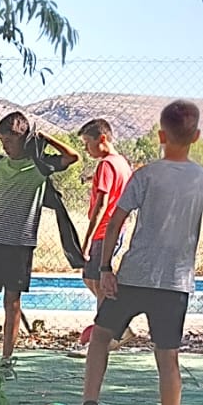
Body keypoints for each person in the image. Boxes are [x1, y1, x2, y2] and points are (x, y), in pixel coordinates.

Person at [68, 99, 203, 405]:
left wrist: (105, 267)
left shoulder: (146, 175)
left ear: (160, 135)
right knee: (167, 357)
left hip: (133, 277)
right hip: (174, 284)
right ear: (196, 137)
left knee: (101, 337)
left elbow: (116, 220)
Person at [0, 110, 78, 368]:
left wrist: (45, 137)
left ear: (25, 141)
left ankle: (6, 359)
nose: (6, 146)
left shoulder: (40, 167)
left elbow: (72, 157)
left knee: (11, 304)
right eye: (3, 141)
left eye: (10, 141)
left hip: (20, 247)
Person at [78, 117, 132, 300]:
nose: (86, 149)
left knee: (98, 283)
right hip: (116, 230)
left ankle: (110, 315)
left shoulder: (106, 164)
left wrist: (87, 241)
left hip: (104, 231)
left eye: (87, 142)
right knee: (91, 277)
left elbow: (101, 205)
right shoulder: (122, 163)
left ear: (102, 139)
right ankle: (112, 312)